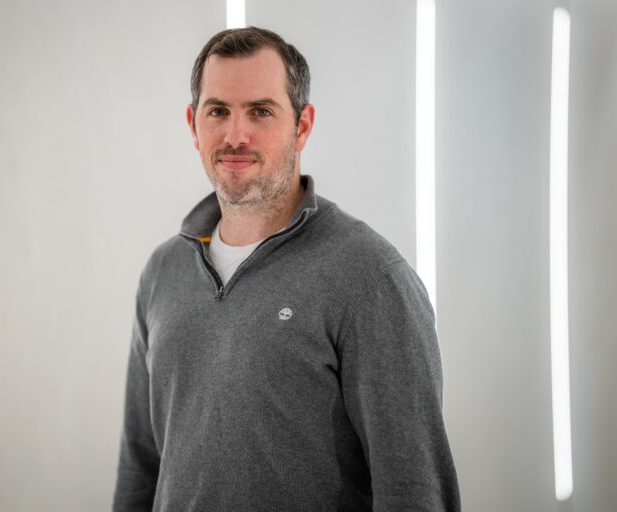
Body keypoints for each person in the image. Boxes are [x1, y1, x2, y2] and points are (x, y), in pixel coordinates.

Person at [113, 27, 460, 512]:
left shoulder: (371, 280)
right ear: (193, 124)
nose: (235, 135)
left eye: (260, 111)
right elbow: (140, 468)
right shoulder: (163, 272)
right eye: (218, 111)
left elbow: (414, 490)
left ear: (302, 125)